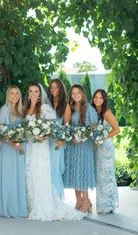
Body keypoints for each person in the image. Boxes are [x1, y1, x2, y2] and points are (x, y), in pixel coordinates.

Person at [24, 83, 83, 221]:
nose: (33, 94)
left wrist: (42, 135)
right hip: (30, 146)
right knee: (31, 174)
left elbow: (52, 127)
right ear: (28, 94)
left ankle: (45, 206)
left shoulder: (44, 108)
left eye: (36, 91)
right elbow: (25, 129)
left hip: (41, 147)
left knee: (41, 174)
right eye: (31, 91)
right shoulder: (25, 109)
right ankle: (33, 204)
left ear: (40, 94)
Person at [64, 84, 98, 213]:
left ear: (83, 94)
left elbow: (93, 127)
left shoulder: (89, 108)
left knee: (82, 172)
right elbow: (68, 125)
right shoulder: (70, 108)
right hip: (73, 146)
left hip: (85, 146)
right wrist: (72, 136)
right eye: (73, 93)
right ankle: (78, 200)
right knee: (74, 171)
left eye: (78, 92)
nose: (75, 95)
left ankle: (87, 201)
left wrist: (83, 137)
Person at [0, 86, 27, 218]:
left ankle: (18, 207)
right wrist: (12, 143)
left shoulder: (20, 111)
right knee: (9, 176)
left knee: (18, 177)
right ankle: (8, 208)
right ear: (8, 95)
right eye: (12, 94)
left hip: (19, 149)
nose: (15, 96)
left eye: (17, 94)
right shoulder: (4, 109)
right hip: (7, 149)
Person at [92, 89, 120, 214]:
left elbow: (116, 129)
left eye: (100, 98)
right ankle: (102, 205)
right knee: (100, 176)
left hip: (106, 148)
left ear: (104, 100)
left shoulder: (107, 112)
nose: (97, 100)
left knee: (106, 176)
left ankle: (108, 205)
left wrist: (102, 137)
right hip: (97, 148)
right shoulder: (92, 111)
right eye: (96, 97)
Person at [48, 79, 71, 199]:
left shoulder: (65, 105)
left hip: (57, 142)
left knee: (54, 169)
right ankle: (48, 198)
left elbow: (66, 126)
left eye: (56, 87)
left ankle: (57, 199)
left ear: (61, 89)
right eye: (51, 88)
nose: (54, 90)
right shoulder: (47, 104)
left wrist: (61, 141)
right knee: (47, 168)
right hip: (46, 141)